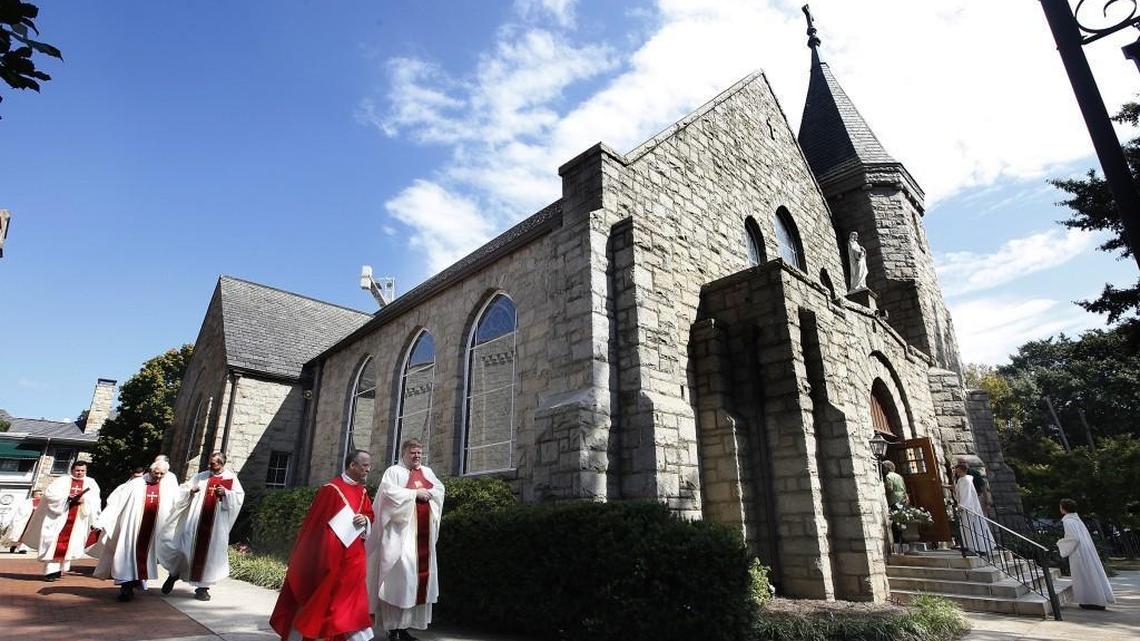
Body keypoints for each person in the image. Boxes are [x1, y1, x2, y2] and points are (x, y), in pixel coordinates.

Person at [270, 449, 375, 641]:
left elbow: (369, 514)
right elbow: (316, 527)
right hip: (332, 558)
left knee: (351, 604)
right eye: (365, 465)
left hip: (354, 558)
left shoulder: (362, 492)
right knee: (328, 604)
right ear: (352, 465)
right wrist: (323, 557)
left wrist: (365, 520)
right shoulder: (331, 489)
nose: (369, 470)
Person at [367, 440, 445, 641]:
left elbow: (439, 490)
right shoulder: (393, 472)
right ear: (404, 453)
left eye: (419, 452)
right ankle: (392, 628)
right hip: (399, 537)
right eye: (413, 453)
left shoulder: (427, 472)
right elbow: (388, 496)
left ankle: (404, 628)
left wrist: (428, 494)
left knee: (413, 584)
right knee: (398, 582)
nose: (417, 456)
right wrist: (414, 494)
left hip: (421, 539)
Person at [92, 455, 180, 602]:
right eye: (156, 473)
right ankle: (125, 588)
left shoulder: (168, 487)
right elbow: (116, 503)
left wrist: (190, 495)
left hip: (152, 530)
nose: (158, 476)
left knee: (144, 558)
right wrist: (102, 521)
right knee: (126, 556)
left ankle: (135, 583)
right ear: (150, 471)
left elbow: (176, 504)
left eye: (161, 474)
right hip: (132, 528)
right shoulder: (136, 484)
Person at [163, 451, 245, 601]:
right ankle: (174, 575)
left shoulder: (230, 478)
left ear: (221, 464)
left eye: (213, 464)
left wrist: (226, 493)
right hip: (195, 522)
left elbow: (239, 498)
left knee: (210, 556)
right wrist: (190, 491)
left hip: (215, 526)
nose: (210, 466)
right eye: (210, 463)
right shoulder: (201, 476)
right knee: (184, 549)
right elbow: (184, 489)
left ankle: (202, 589)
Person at [21, 460, 101, 581]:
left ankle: (59, 570)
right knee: (53, 543)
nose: (80, 473)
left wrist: (85, 501)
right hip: (59, 517)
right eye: (77, 470)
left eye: (82, 470)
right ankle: (50, 572)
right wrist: (67, 498)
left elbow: (96, 500)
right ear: (72, 470)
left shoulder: (91, 482)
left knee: (71, 543)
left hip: (78, 518)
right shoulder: (62, 480)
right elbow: (49, 495)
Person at [1057, 499, 1115, 610]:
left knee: (1083, 576)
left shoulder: (1068, 521)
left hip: (1078, 552)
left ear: (1063, 508)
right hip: (1086, 550)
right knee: (1091, 574)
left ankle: (1089, 600)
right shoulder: (1076, 519)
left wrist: (1061, 544)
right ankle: (1096, 599)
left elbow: (1074, 539)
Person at [953, 461, 994, 556]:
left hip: (969, 508)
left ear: (963, 471)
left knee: (973, 528)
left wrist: (962, 506)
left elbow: (966, 495)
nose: (957, 473)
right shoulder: (961, 480)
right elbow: (959, 492)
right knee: (968, 529)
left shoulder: (966, 480)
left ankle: (978, 548)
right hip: (967, 507)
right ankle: (971, 547)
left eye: (958, 471)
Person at [1, 489, 41, 553]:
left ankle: (22, 548)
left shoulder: (41, 503)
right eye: (39, 494)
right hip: (25, 521)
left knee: (28, 535)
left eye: (41, 494)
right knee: (20, 534)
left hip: (33, 522)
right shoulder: (27, 502)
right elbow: (21, 512)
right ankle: (15, 546)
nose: (41, 495)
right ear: (34, 495)